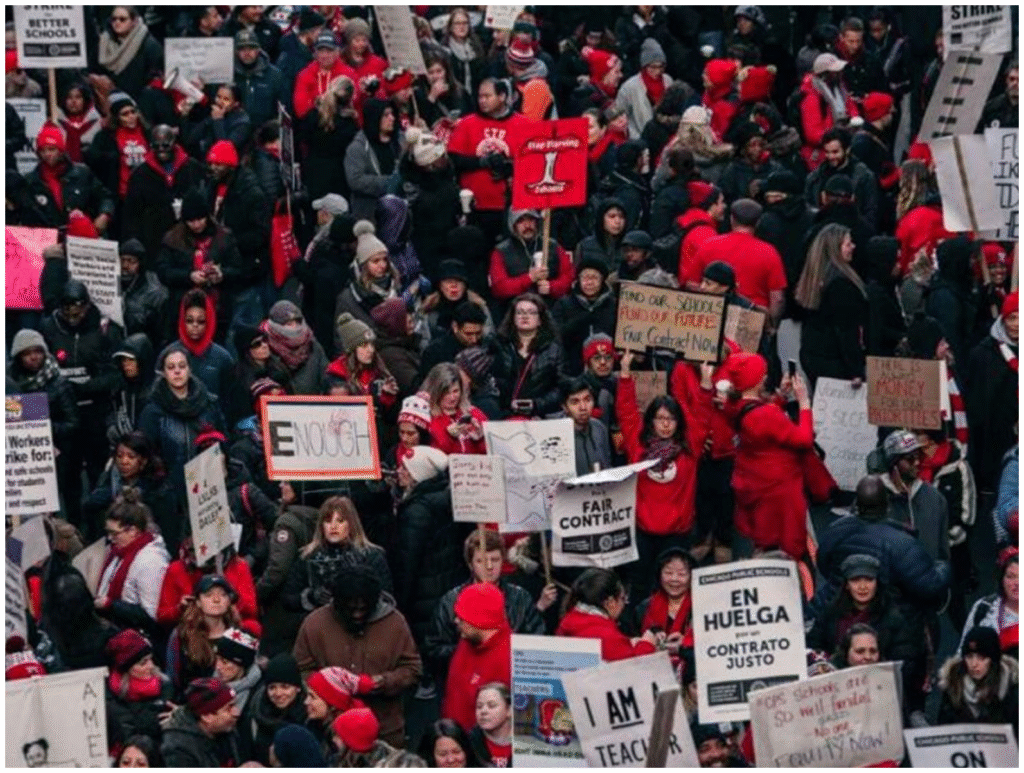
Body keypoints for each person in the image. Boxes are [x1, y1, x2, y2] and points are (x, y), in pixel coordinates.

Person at [293, 562, 422, 748]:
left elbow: (413, 668)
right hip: (329, 734)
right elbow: (301, 668)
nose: (357, 615)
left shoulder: (395, 623)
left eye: (364, 609)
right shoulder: (314, 624)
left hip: (384, 731)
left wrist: (382, 682)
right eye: (350, 609)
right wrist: (329, 688)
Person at [616, 350, 703, 595]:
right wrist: (625, 373)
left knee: (676, 588)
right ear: (651, 421)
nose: (665, 424)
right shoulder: (637, 445)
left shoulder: (690, 448)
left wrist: (705, 385)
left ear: (678, 423)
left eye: (671, 419)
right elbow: (626, 411)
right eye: (660, 418)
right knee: (643, 587)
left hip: (677, 534)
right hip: (644, 533)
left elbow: (701, 415)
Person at [41, 279, 124, 532]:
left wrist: (85, 386)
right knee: (67, 476)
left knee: (99, 472)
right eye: (67, 308)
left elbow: (116, 375)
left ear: (87, 306)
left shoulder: (105, 329)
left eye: (77, 308)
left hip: (93, 413)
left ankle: (99, 529)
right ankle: (72, 527)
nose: (72, 314)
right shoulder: (48, 328)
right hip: (63, 418)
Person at [426, 529, 548, 689]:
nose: (490, 567)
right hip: (465, 686)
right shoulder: (451, 600)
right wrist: (472, 650)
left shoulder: (520, 597)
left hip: (509, 685)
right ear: (470, 564)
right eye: (481, 561)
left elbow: (536, 642)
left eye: (495, 559)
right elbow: (434, 649)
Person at [724, 352, 815, 560]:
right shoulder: (767, 415)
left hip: (754, 482)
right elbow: (804, 439)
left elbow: (762, 421)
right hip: (779, 489)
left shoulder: (734, 404)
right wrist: (804, 403)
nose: (766, 377)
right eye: (762, 374)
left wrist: (780, 396)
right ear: (755, 381)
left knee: (763, 539)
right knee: (787, 545)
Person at [138, 344, 224, 510]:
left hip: (208, 491)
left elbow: (223, 439)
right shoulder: (153, 411)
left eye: (182, 366)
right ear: (163, 372)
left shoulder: (209, 403)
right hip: (169, 497)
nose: (177, 371)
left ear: (190, 369)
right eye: (171, 367)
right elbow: (146, 454)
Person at [446, 78, 530, 242]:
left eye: (487, 96)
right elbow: (453, 160)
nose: (482, 101)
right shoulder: (466, 124)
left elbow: (533, 163)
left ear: (502, 96)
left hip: (510, 206)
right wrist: (481, 162)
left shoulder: (523, 124)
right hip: (474, 206)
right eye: (480, 97)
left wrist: (510, 167)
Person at [282, 495, 392, 614]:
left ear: (351, 524)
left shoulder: (371, 555)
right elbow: (288, 599)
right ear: (321, 526)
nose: (333, 526)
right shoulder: (307, 557)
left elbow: (388, 600)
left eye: (340, 521)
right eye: (328, 521)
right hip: (321, 626)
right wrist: (311, 597)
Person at [691, 199, 786, 330]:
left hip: (712, 316)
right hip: (752, 320)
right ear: (758, 222)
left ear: (731, 219)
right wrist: (772, 326)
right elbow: (777, 298)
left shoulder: (708, 245)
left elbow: (692, 284)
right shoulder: (769, 253)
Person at [793, 223, 867, 387]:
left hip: (813, 354)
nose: (853, 247)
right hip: (835, 360)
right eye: (848, 244)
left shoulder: (816, 276)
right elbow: (846, 329)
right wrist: (855, 370)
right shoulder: (841, 284)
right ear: (835, 248)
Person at [95, 488, 170, 632]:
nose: (110, 538)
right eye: (108, 532)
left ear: (133, 531)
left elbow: (151, 615)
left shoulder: (151, 561)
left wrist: (111, 605)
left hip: (137, 636)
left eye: (115, 533)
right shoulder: (117, 552)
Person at [966, 291, 1019, 495]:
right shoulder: (984, 355)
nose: (1016, 325)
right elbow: (980, 406)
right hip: (996, 440)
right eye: (1011, 318)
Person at [441, 584, 511, 731]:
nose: (456, 621)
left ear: (479, 621)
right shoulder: (467, 642)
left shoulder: (508, 662)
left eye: (461, 617)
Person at [23, 124, 115, 230]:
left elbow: (105, 197)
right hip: (47, 237)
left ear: (61, 150)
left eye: (52, 149)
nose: (47, 154)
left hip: (81, 234)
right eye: (43, 150)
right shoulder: (32, 180)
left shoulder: (82, 173)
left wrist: (104, 215)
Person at [879, 430, 950, 564]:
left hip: (926, 579)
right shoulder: (874, 496)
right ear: (893, 463)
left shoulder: (935, 498)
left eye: (919, 457)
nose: (917, 463)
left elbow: (943, 550)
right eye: (910, 459)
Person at [165, 575, 243, 697]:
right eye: (209, 595)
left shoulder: (240, 635)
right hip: (190, 705)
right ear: (198, 602)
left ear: (229, 601)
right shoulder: (181, 635)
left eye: (222, 595)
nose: (216, 600)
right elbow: (172, 678)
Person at [557, 568, 659, 661]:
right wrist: (647, 643)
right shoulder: (605, 635)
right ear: (610, 602)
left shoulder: (570, 619)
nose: (623, 605)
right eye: (623, 599)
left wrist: (628, 642)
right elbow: (633, 668)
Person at [492, 293, 566, 419]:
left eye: (531, 312)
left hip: (542, 417)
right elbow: (491, 382)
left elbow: (561, 387)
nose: (525, 316)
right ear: (513, 318)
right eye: (520, 312)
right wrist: (506, 403)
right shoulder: (498, 345)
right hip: (505, 416)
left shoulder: (554, 349)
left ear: (540, 319)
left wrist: (536, 404)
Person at [938, 627, 1019, 737]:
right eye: (969, 656)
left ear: (993, 659)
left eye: (981, 657)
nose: (974, 664)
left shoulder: (1012, 692)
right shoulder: (953, 688)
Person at [489, 210, 575, 312]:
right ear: (513, 225)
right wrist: (530, 278)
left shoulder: (552, 245)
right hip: (515, 310)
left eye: (531, 220)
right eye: (521, 221)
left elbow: (569, 276)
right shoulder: (501, 251)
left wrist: (551, 287)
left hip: (550, 309)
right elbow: (499, 288)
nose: (527, 225)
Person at [104, 629, 174, 752]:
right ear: (128, 669)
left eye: (150, 659)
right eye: (143, 663)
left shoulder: (165, 685)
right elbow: (127, 736)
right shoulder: (113, 698)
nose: (151, 666)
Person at [237, 653, 307, 767]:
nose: (278, 693)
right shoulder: (253, 720)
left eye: (285, 686)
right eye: (272, 687)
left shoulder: (310, 719)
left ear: (297, 687)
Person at [550, 257, 617, 376]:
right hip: (572, 367)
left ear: (602, 280)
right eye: (585, 277)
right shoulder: (564, 303)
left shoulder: (613, 305)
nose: (589, 282)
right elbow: (555, 334)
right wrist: (582, 319)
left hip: (607, 367)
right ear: (578, 280)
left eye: (594, 278)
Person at [630, 547, 696, 667]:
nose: (674, 579)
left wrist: (686, 644)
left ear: (692, 577)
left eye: (681, 574)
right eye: (668, 573)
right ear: (659, 575)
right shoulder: (643, 608)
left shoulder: (700, 606)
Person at [160, 677, 243, 767]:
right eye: (229, 708)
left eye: (235, 704)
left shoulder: (228, 730)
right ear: (207, 716)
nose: (237, 712)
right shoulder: (178, 749)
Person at [301, 74, 358, 203]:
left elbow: (303, 138)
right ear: (350, 98)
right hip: (339, 179)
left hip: (314, 175)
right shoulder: (349, 124)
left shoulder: (313, 115)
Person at [85, 91, 149, 205]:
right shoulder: (105, 136)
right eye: (125, 114)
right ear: (117, 117)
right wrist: (112, 158)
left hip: (147, 191)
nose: (131, 117)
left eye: (133, 112)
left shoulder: (148, 133)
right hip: (120, 194)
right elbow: (94, 158)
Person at [798, 53, 859, 170]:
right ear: (825, 75)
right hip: (823, 156)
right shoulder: (812, 97)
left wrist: (853, 122)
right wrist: (838, 135)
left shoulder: (840, 88)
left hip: (843, 146)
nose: (839, 73)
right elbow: (813, 134)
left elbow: (851, 108)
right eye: (835, 71)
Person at [92, 7, 164, 101]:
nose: (117, 23)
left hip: (139, 100)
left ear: (134, 21)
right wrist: (96, 79)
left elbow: (155, 77)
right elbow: (90, 69)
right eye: (113, 19)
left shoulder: (150, 45)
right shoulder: (103, 42)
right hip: (108, 100)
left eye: (122, 19)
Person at [176, 289, 235, 400]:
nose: (195, 325)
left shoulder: (223, 358)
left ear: (209, 321)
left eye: (201, 321)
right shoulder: (168, 355)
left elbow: (229, 401)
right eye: (189, 320)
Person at [262, 300, 329, 396]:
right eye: (289, 324)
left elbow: (327, 375)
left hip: (311, 406)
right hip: (280, 407)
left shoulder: (313, 346)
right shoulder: (264, 346)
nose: (295, 328)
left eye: (297, 323)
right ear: (275, 326)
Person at [961, 548, 1018, 659]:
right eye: (1011, 577)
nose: (1017, 583)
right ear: (1001, 579)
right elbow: (963, 652)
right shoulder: (984, 608)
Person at [302, 666, 366, 757]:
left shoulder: (347, 742)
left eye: (312, 697)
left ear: (332, 704)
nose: (306, 702)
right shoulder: (313, 727)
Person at [615, 39, 672, 139]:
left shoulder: (668, 81)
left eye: (661, 67)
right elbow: (619, 115)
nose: (657, 71)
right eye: (653, 67)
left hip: (666, 137)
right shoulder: (629, 87)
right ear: (644, 66)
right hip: (640, 139)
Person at [233, 29, 290, 130]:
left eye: (251, 48)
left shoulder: (274, 75)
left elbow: (284, 108)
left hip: (265, 131)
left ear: (258, 50)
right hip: (235, 131)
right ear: (236, 51)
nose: (247, 53)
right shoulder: (229, 75)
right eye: (242, 49)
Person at [118, 240, 169, 345]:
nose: (125, 266)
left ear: (140, 264)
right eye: (122, 260)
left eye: (131, 261)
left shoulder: (155, 292)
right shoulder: (112, 283)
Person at [561, 377, 613, 475]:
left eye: (587, 400)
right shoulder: (557, 434)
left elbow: (607, 465)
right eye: (575, 402)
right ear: (565, 407)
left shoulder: (599, 428)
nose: (583, 407)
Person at [468, 683, 512, 767]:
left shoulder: (527, 744)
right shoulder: (468, 744)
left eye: (491, 705)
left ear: (509, 710)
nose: (483, 711)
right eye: (479, 706)